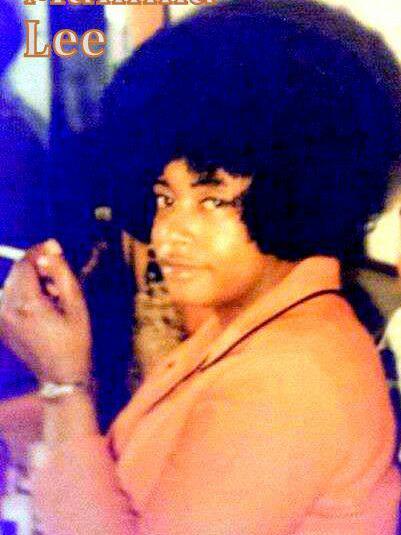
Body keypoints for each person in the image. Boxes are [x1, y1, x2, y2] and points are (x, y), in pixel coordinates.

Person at [1, 0, 401, 533]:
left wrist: (63, 382)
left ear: (298, 191)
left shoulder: (291, 377)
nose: (168, 232)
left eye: (212, 200)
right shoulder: (252, 324)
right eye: (165, 198)